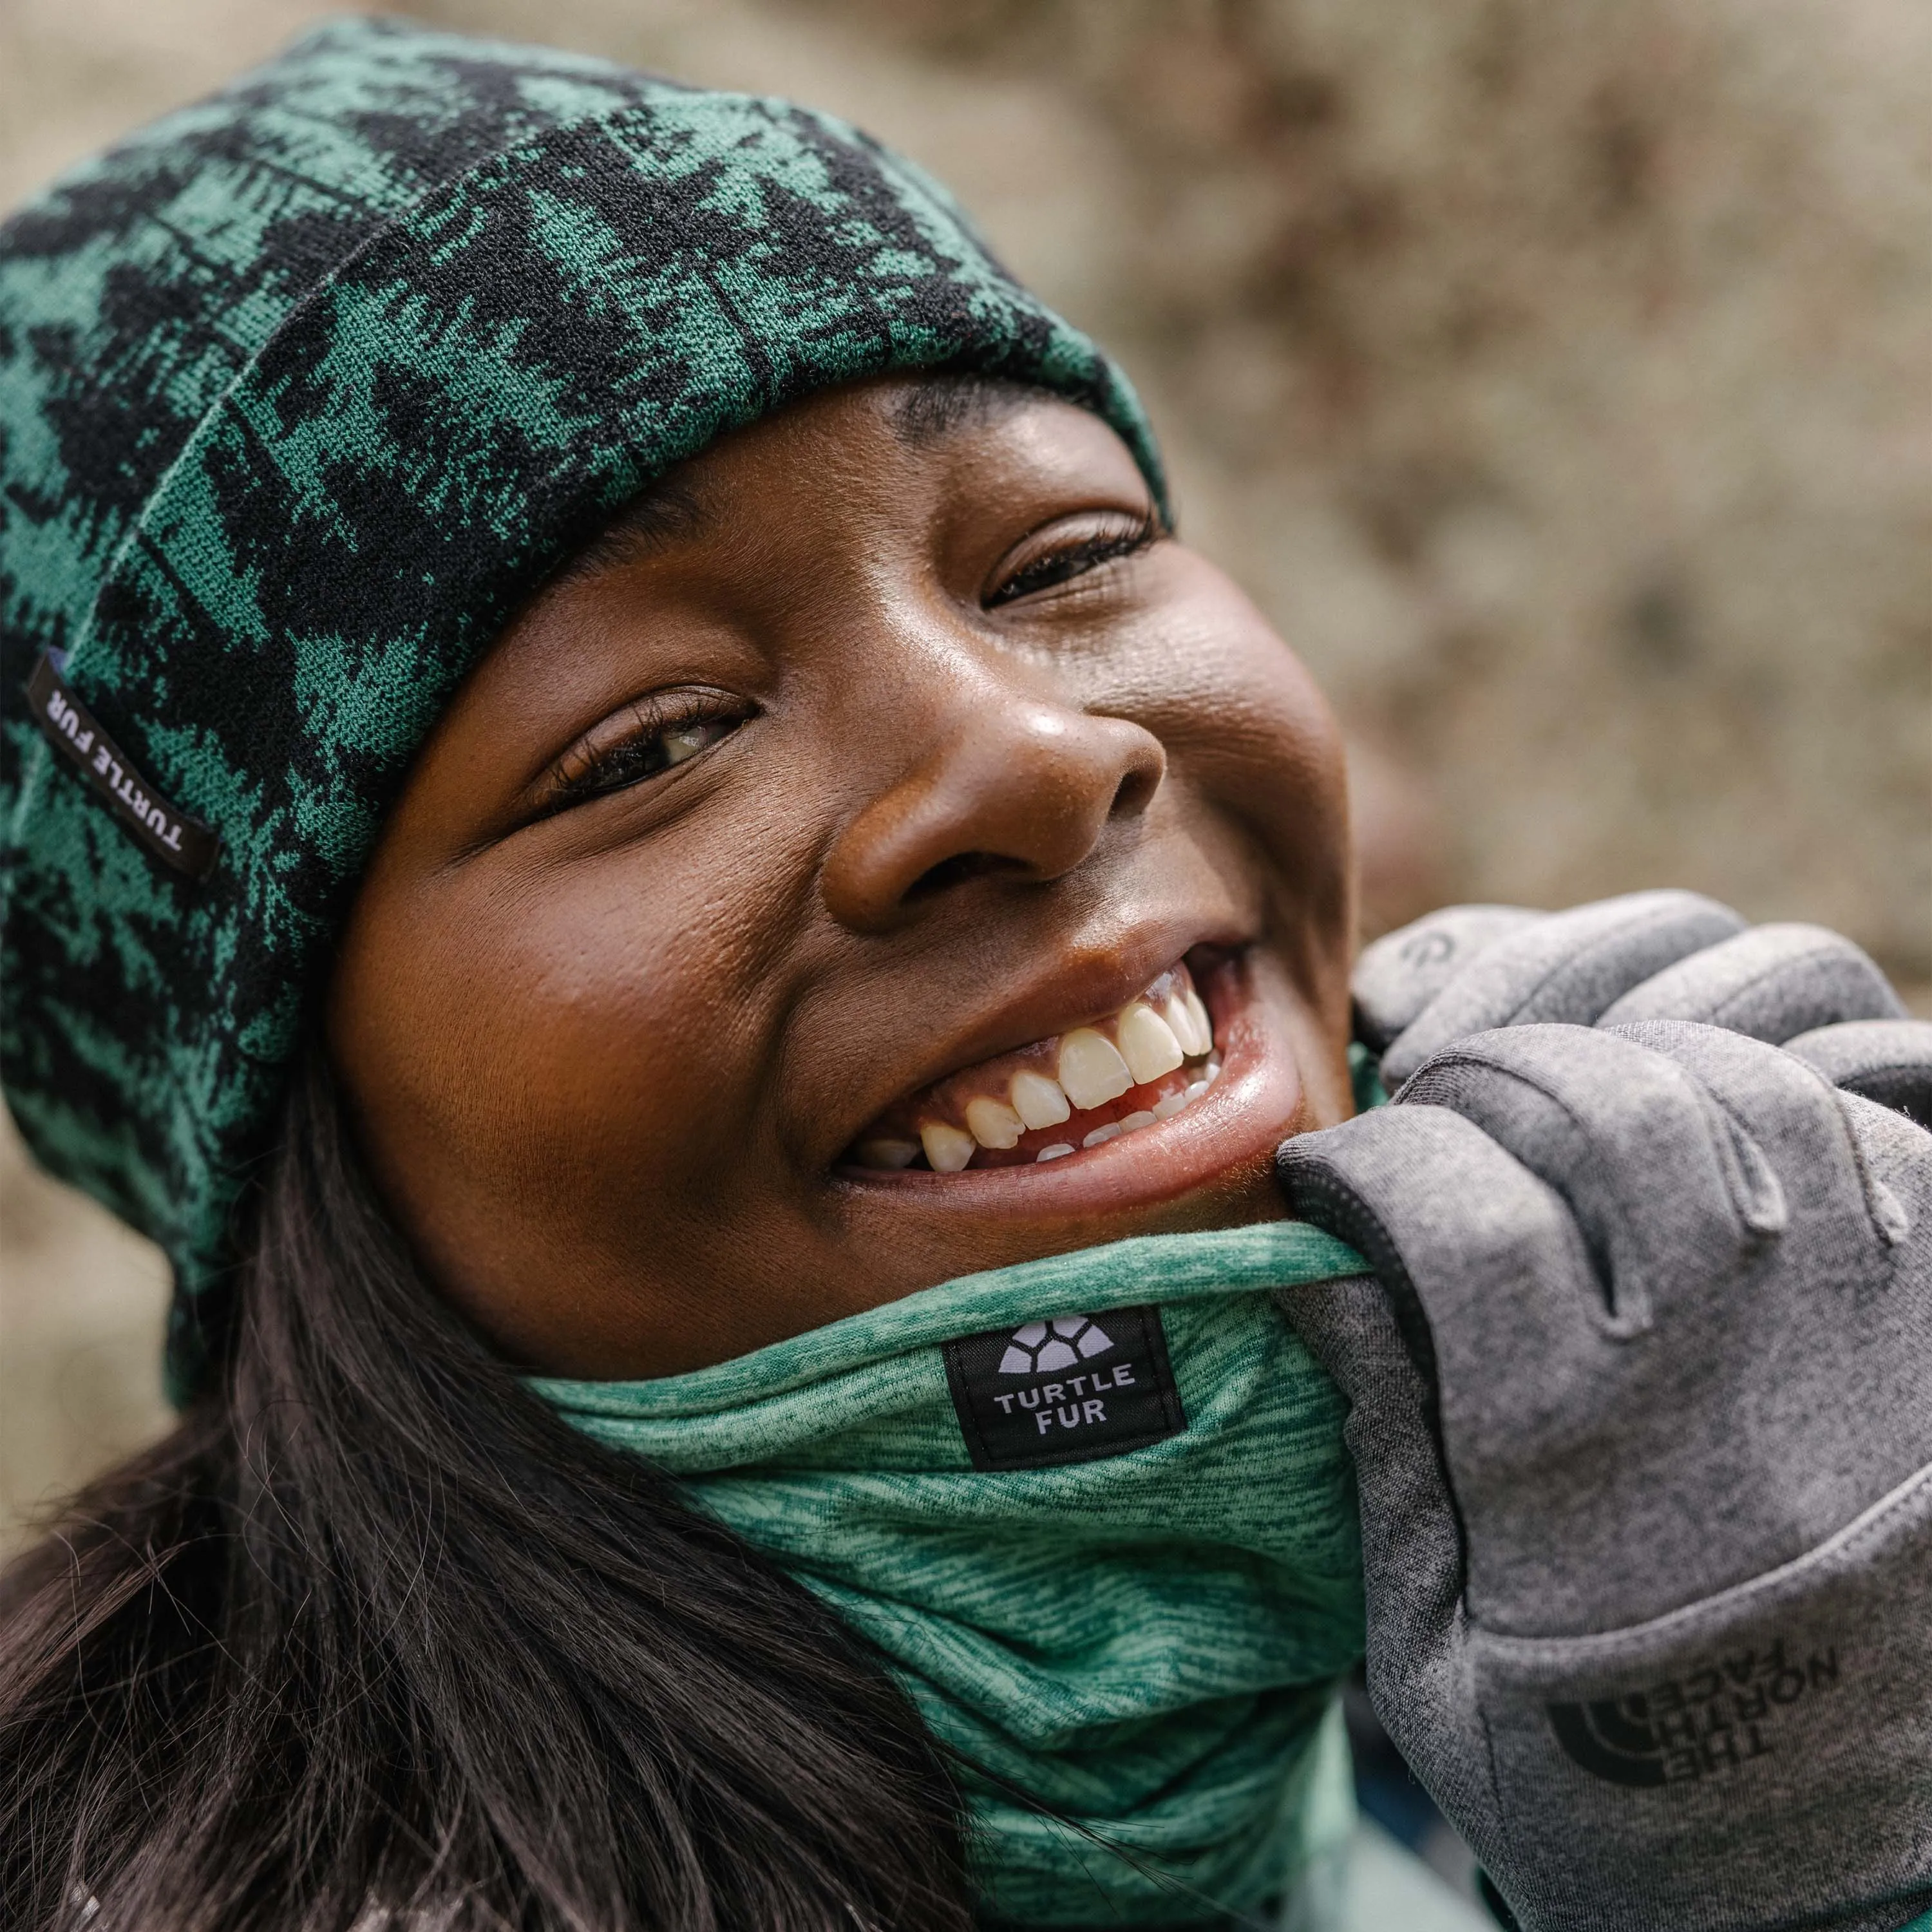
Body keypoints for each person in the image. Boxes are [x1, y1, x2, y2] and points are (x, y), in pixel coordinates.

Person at [1, 21, 1926, 1932]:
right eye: (652, 744)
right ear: (293, 1137)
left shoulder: (1407, 1738)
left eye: (1062, 556)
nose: (1034, 753)